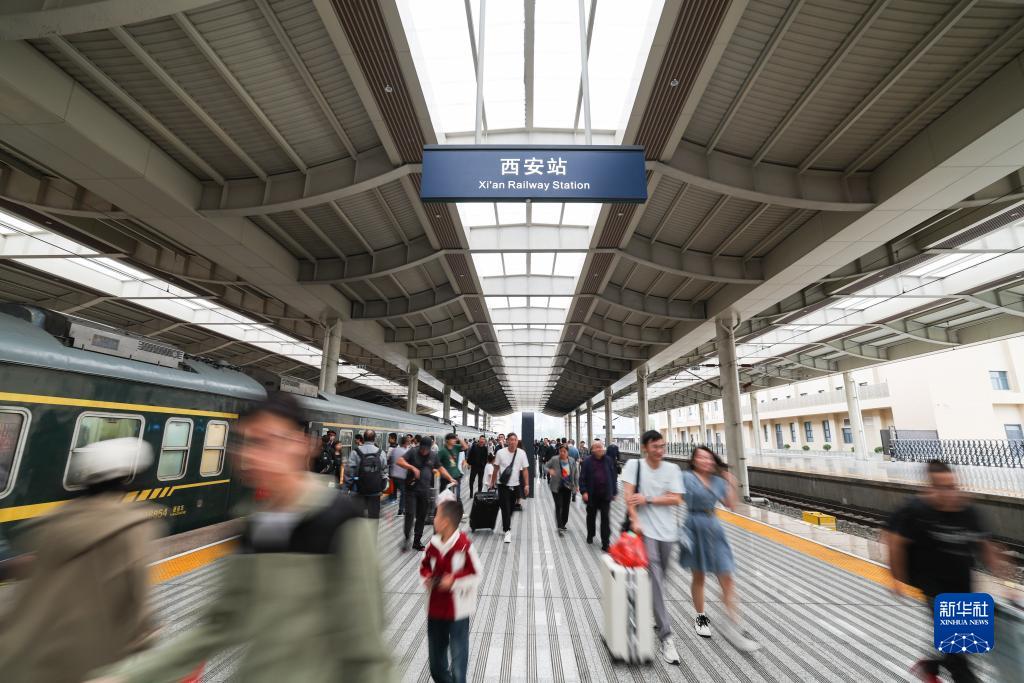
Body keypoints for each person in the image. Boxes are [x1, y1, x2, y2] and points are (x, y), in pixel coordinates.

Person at [88, 393, 391, 683]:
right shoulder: (256, 523)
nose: (251, 456)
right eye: (244, 443)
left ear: (302, 445)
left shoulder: (339, 519)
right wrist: (128, 676)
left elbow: (368, 651)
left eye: (265, 442)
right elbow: (221, 625)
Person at [0, 438, 160, 683]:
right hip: (79, 664)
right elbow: (137, 602)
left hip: (20, 655)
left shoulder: (51, 522)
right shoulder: (132, 528)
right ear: (128, 479)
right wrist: (144, 640)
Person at [886, 460, 1008, 683]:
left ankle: (930, 665)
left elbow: (985, 546)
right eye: (943, 487)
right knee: (959, 652)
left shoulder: (968, 512)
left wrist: (1005, 584)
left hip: (963, 584)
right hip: (934, 587)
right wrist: (896, 579)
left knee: (964, 640)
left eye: (953, 486)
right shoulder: (917, 512)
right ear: (931, 488)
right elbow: (896, 543)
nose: (951, 493)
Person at [679, 446, 759, 651]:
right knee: (699, 576)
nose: (705, 461)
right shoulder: (686, 477)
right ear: (694, 461)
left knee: (727, 575)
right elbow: (674, 497)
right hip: (694, 526)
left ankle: (732, 622)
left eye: (708, 458)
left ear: (713, 460)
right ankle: (700, 617)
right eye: (700, 457)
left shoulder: (718, 481)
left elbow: (730, 505)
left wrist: (730, 482)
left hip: (714, 528)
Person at [623, 429, 684, 666]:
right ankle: (667, 636)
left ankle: (649, 611)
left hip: (668, 533)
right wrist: (635, 519)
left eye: (662, 446)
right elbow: (629, 497)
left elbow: (676, 498)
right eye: (655, 446)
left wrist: (648, 499)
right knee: (656, 578)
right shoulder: (634, 466)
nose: (660, 450)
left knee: (659, 580)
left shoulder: (673, 469)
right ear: (645, 448)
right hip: (644, 532)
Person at [421, 499, 480, 683]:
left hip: (459, 611)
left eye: (436, 515)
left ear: (445, 522)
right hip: (436, 609)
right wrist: (427, 579)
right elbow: (424, 567)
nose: (433, 519)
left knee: (458, 663)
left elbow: (476, 574)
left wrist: (454, 581)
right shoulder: (432, 545)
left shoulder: (464, 545)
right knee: (436, 666)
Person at [399, 437, 456, 552]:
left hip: (425, 490)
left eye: (426, 449)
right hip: (411, 489)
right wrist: (412, 467)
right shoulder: (413, 452)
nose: (424, 451)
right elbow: (399, 461)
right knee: (410, 514)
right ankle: (407, 538)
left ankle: (417, 542)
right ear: (420, 446)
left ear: (430, 448)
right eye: (422, 449)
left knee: (421, 516)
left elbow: (440, 468)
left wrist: (450, 478)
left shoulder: (433, 455)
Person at [491, 432, 530, 544]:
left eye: (515, 440)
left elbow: (525, 470)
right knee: (505, 508)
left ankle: (506, 523)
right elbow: (496, 468)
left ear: (517, 441)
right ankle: (507, 530)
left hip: (515, 485)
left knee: (511, 508)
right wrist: (492, 482)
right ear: (507, 441)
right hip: (502, 485)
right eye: (511, 440)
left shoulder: (521, 453)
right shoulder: (500, 453)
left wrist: (526, 485)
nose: (513, 442)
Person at [579, 439, 617, 551]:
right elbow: (582, 478)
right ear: (593, 450)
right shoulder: (587, 461)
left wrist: (614, 491)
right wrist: (584, 491)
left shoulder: (608, 460)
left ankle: (606, 543)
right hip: (592, 496)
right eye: (597, 447)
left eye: (601, 447)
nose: (600, 449)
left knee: (605, 519)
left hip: (605, 495)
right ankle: (590, 534)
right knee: (591, 517)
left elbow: (613, 476)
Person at [346, 429, 388, 519]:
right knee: (374, 517)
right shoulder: (381, 453)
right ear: (374, 438)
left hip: (358, 491)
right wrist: (382, 486)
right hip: (375, 491)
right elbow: (384, 471)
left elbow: (349, 472)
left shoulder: (355, 452)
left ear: (363, 438)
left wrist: (348, 487)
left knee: (358, 518)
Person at [545, 444, 578, 535]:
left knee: (566, 506)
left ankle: (563, 523)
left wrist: (576, 485)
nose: (562, 453)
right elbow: (545, 466)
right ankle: (559, 525)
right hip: (557, 487)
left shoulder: (572, 460)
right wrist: (549, 471)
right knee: (559, 505)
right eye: (561, 451)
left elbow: (575, 473)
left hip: (568, 487)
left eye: (564, 451)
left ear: (567, 452)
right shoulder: (554, 459)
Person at [438, 433, 468, 500]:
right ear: (447, 440)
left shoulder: (456, 447)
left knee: (456, 497)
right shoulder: (442, 451)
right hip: (446, 478)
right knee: (445, 497)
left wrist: (459, 438)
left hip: (456, 476)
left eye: (455, 438)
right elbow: (437, 463)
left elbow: (466, 447)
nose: (455, 440)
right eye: (453, 439)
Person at [389, 434, 411, 514]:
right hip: (402, 476)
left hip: (393, 475)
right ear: (406, 443)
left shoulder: (394, 450)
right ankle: (401, 510)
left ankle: (392, 502)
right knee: (403, 493)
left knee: (394, 492)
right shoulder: (407, 452)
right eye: (408, 442)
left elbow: (390, 460)